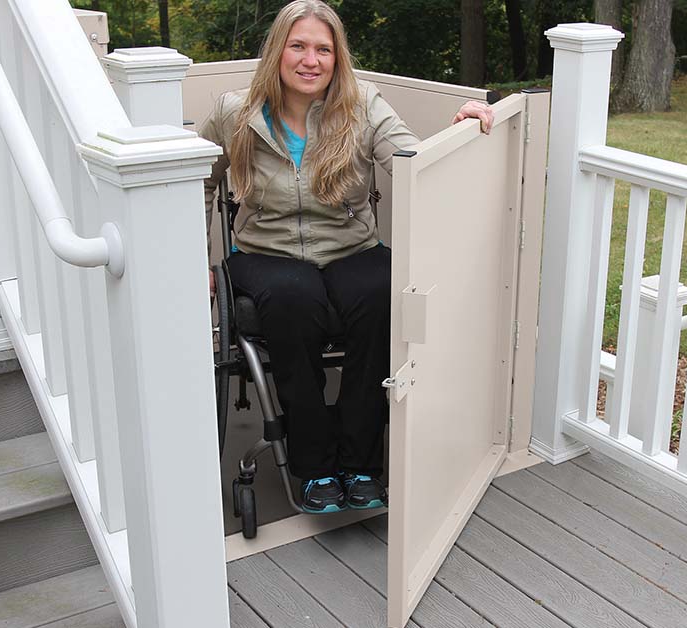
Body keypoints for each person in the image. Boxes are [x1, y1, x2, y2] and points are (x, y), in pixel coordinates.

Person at [200, 0, 494, 514]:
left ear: (337, 58)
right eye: (298, 46)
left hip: (349, 246)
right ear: (277, 52)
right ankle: (313, 466)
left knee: (382, 292)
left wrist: (460, 128)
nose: (310, 60)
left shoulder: (363, 107)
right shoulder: (235, 113)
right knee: (294, 299)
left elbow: (415, 161)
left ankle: (360, 461)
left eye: (323, 49)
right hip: (265, 252)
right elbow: (194, 181)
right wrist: (191, 261)